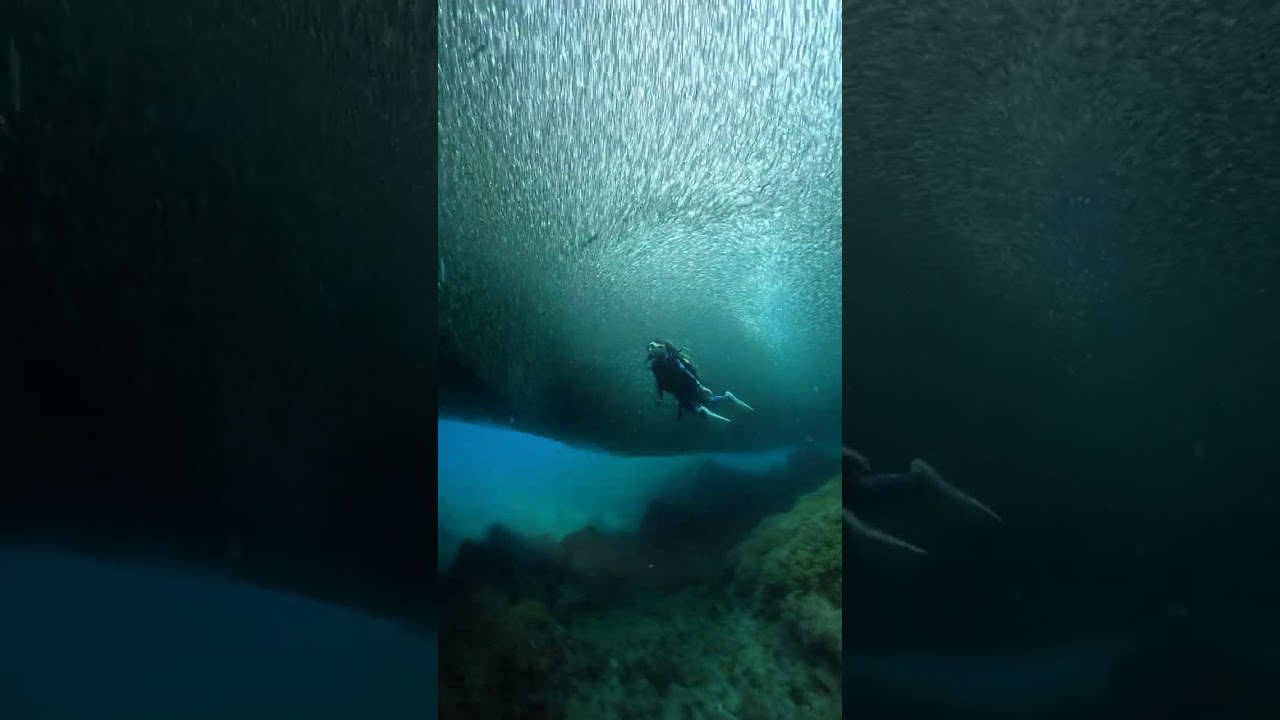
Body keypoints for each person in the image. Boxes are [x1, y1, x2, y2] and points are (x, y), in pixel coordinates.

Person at [842, 446, 1001, 554]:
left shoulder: (849, 500)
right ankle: (987, 515)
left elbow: (865, 531)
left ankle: (987, 516)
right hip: (891, 489)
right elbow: (861, 462)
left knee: (927, 478)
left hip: (879, 494)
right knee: (921, 470)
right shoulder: (861, 488)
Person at [646, 340, 754, 423]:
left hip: (688, 385)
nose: (652, 353)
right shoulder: (655, 367)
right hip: (679, 390)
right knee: (694, 404)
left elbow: (687, 374)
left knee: (701, 402)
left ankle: (723, 400)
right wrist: (660, 398)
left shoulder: (673, 361)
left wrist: (701, 387)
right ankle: (722, 400)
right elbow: (659, 383)